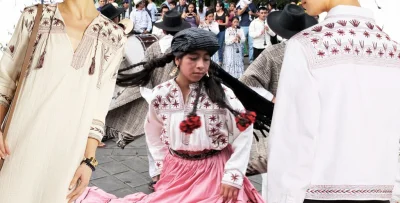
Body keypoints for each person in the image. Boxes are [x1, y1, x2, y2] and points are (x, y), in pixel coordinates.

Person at [77, 27, 264, 203]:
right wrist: (159, 165)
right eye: (193, 58)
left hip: (214, 173)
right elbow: (153, 131)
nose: (201, 65)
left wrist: (233, 175)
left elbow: (244, 131)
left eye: (206, 59)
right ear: (177, 59)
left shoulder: (221, 94)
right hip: (176, 171)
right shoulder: (161, 94)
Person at [267, 0, 400, 202]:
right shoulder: (393, 50)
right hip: (381, 190)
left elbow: (292, 138)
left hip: (318, 192)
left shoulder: (306, 44)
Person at [0, 1, 127, 203]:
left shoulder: (115, 36)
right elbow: (5, 80)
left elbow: (99, 106)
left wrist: (89, 161)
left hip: (67, 155)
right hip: (16, 147)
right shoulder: (34, 16)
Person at [104, 10, 191, 191]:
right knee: (178, 139)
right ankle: (176, 175)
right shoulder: (186, 49)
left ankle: (157, 175)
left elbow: (143, 74)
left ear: (164, 30)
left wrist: (150, 95)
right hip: (179, 99)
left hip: (155, 99)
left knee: (155, 139)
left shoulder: (153, 48)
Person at [240, 4, 318, 202]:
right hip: (302, 123)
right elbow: (247, 82)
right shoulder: (278, 53)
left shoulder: (307, 53)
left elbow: (246, 82)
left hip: (289, 123)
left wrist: (274, 102)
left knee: (280, 177)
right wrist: (275, 100)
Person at [214, 1, 229, 65]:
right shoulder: (215, 14)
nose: (216, 7)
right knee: (215, 45)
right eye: (216, 6)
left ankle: (220, 60)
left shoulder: (225, 13)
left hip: (222, 31)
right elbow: (213, 22)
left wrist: (219, 23)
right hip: (215, 31)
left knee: (220, 45)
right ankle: (215, 59)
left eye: (217, 6)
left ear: (221, 7)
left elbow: (226, 23)